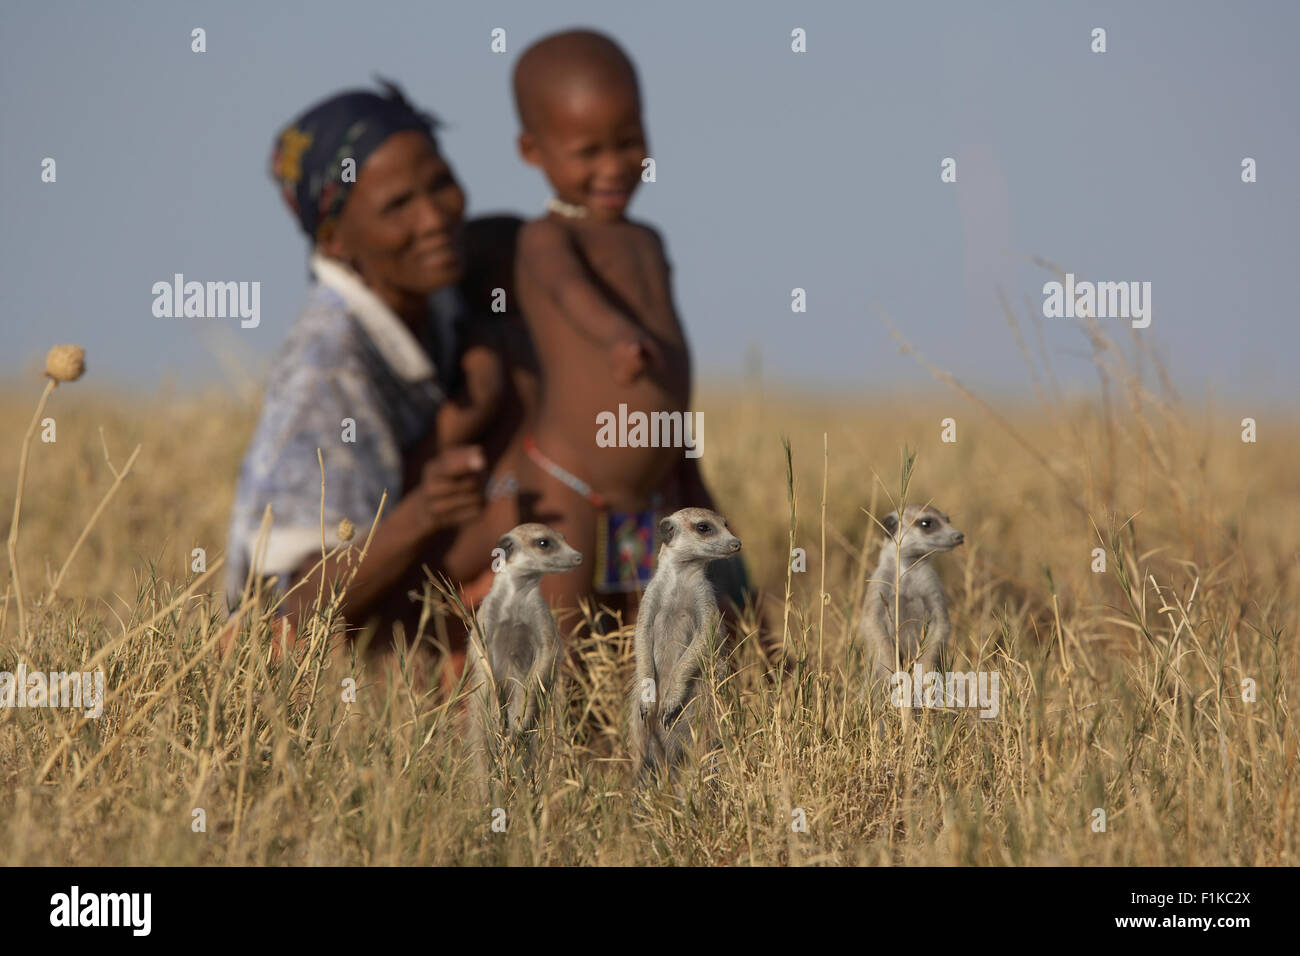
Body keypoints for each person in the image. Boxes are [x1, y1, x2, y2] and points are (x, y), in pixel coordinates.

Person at [438, 30, 753, 635]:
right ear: (533, 150)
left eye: (629, 142)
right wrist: (615, 336)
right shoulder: (546, 238)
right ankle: (529, 728)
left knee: (642, 630)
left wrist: (682, 456)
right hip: (569, 488)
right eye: (588, 152)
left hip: (644, 493)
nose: (613, 167)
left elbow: (671, 340)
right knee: (560, 630)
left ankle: (625, 728)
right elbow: (570, 293)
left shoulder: (648, 241)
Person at [224, 80, 510, 681]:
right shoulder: (328, 366)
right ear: (334, 239)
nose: (434, 218)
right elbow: (288, 611)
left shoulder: (442, 295)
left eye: (439, 184)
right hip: (322, 675)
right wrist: (425, 512)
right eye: (396, 206)